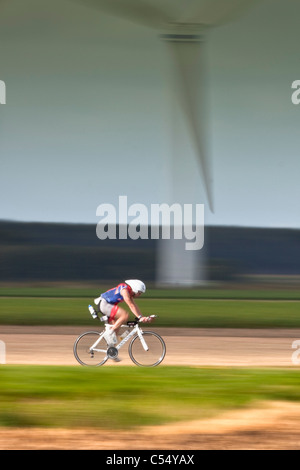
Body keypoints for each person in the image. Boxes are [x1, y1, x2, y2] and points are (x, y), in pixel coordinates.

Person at [93, 279, 153, 346]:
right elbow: (131, 305)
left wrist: (141, 317)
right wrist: (140, 317)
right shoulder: (124, 290)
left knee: (116, 330)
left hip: (106, 305)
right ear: (135, 289)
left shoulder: (129, 292)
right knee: (124, 315)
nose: (140, 295)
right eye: (139, 293)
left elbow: (134, 305)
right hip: (104, 304)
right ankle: (109, 333)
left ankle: (112, 351)